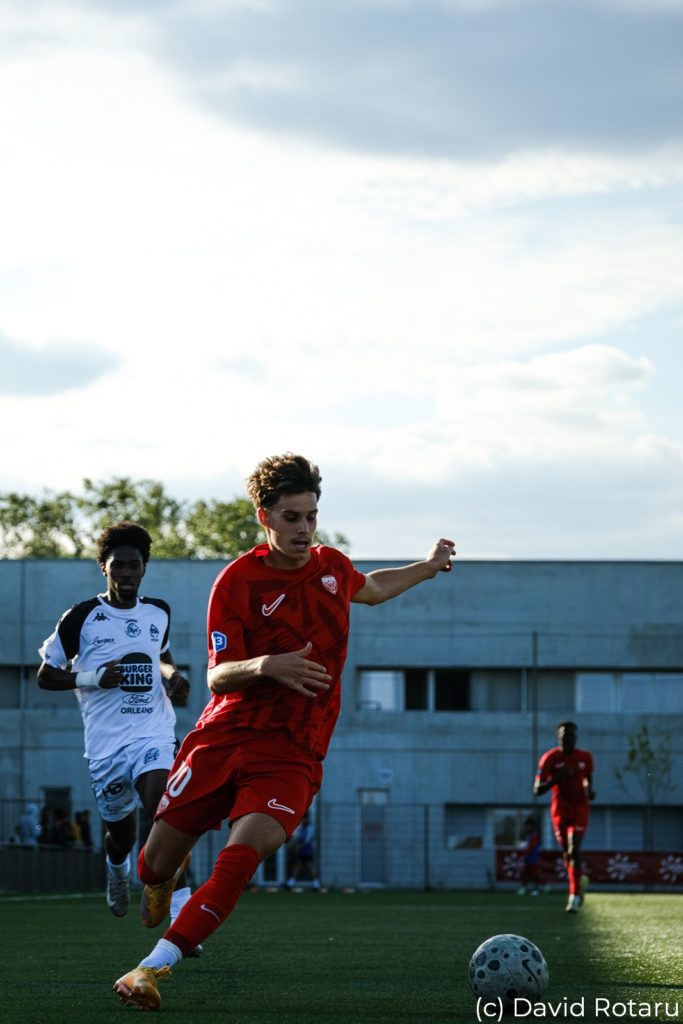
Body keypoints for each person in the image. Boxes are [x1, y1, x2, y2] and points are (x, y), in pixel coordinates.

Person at [113, 452, 455, 1010]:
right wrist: (267, 665)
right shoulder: (237, 581)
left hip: (293, 751)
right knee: (152, 863)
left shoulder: (331, 566)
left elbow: (370, 587)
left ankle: (151, 968)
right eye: (292, 517)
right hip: (226, 737)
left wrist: (428, 565)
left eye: (311, 516)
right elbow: (218, 674)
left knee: (243, 854)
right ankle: (162, 876)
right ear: (264, 517)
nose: (304, 529)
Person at [37, 521, 194, 929]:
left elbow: (161, 655)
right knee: (121, 836)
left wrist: (173, 675)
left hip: (153, 731)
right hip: (106, 746)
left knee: (166, 809)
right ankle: (117, 868)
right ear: (103, 568)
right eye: (118, 565)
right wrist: (93, 678)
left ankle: (181, 915)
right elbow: (45, 675)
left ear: (144, 569)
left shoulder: (158, 611)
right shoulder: (81, 617)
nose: (126, 573)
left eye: (134, 565)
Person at [533, 721, 595, 913]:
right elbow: (537, 790)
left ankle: (574, 896)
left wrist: (589, 790)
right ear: (558, 737)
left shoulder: (585, 757)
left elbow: (588, 778)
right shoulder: (550, 759)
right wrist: (556, 779)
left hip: (579, 809)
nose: (567, 738)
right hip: (560, 810)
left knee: (574, 848)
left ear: (576, 738)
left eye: (570, 735)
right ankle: (579, 880)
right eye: (563, 735)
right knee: (568, 853)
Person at [285, 810, 320, 891]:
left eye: (303, 819)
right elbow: (298, 838)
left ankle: (316, 884)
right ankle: (290, 883)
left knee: (309, 867)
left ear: (306, 818)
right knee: (297, 866)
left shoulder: (309, 828)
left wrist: (298, 848)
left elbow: (306, 840)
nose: (302, 820)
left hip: (307, 851)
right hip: (301, 850)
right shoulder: (302, 827)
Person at [516, 815, 542, 896]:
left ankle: (536, 889)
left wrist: (524, 853)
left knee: (534, 874)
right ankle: (524, 888)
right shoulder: (529, 835)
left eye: (528, 826)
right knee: (526, 874)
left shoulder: (534, 835)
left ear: (532, 826)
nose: (527, 828)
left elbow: (531, 847)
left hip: (533, 858)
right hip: (528, 858)